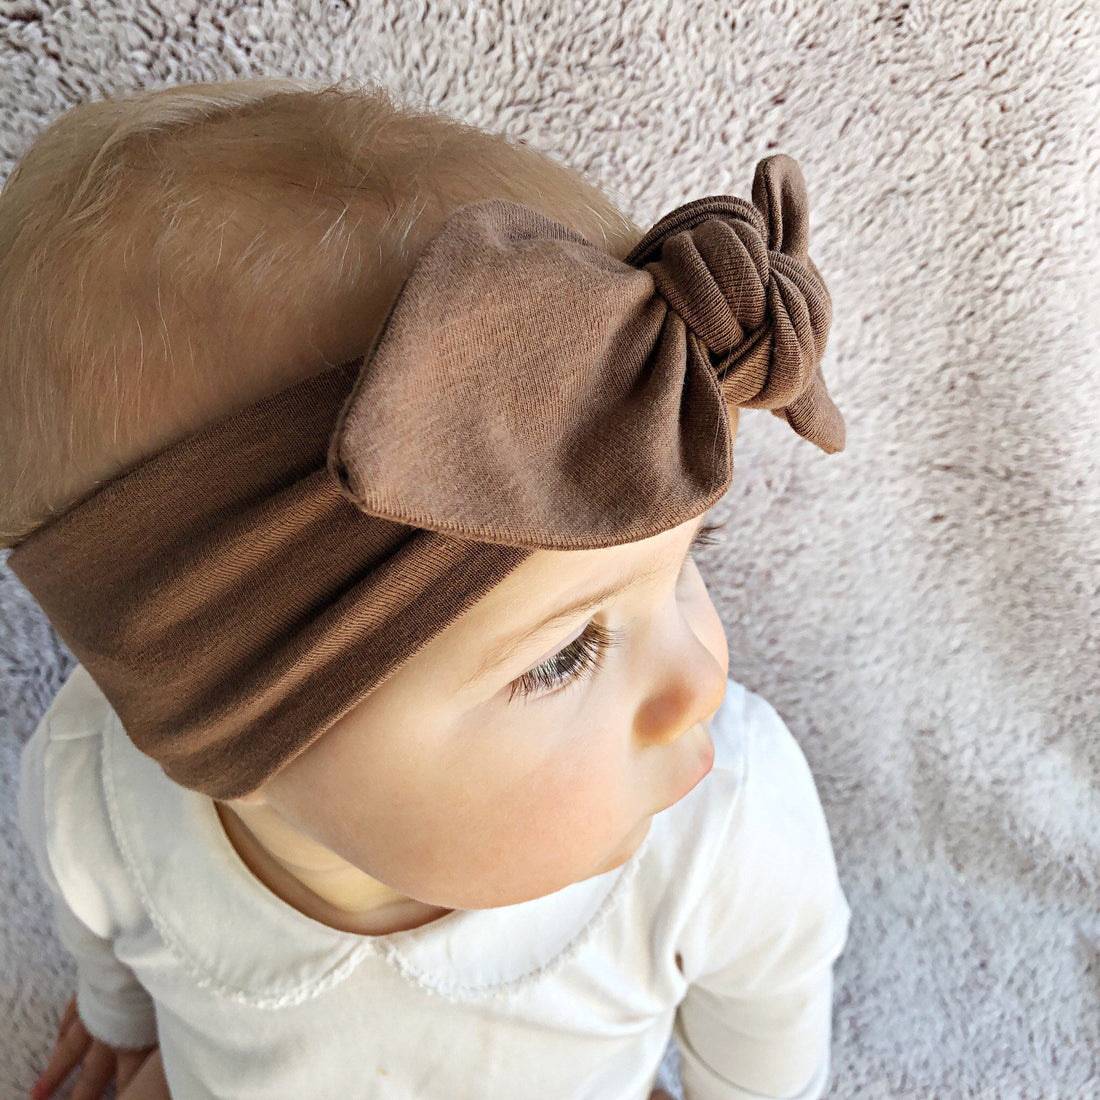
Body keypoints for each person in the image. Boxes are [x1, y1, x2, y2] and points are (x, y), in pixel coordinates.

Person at [3, 77, 851, 1100]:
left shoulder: (723, 830)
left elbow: (765, 1030)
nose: (700, 681)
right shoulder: (98, 796)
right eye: (563, 651)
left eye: (684, 563)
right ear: (224, 733)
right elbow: (104, 931)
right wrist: (118, 1021)